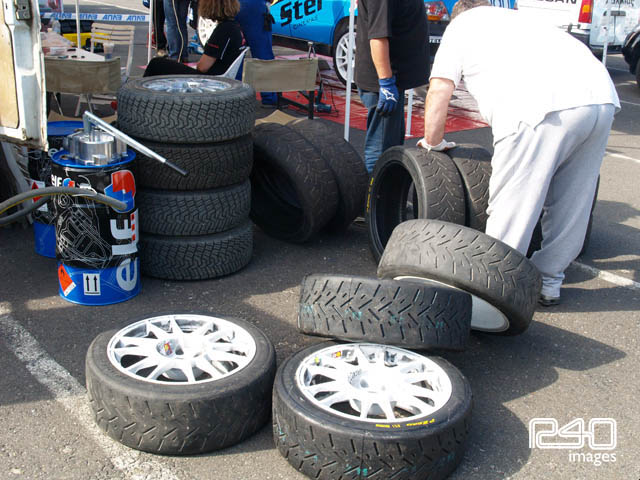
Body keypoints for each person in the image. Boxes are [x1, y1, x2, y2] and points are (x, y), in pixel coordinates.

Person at [420, 0, 620, 305]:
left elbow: (439, 90)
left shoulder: (461, 26)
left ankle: (493, 291)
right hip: (601, 98)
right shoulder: (520, 20)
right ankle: (549, 282)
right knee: (572, 203)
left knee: (513, 206)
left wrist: (432, 143)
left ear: (458, 13)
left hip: (537, 109)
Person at [354, 0, 430, 173]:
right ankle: (376, 189)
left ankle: (387, 188)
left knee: (392, 147)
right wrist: (386, 84)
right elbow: (378, 37)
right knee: (381, 152)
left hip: (393, 80)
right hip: (383, 83)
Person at [144, 0, 243, 77]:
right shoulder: (233, 27)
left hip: (209, 78)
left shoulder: (222, 30)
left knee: (156, 64)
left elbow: (202, 67)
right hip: (217, 74)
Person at [236, 0, 277, 104]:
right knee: (263, 55)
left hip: (231, 6)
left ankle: (233, 94)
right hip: (254, 7)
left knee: (235, 56)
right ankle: (269, 97)